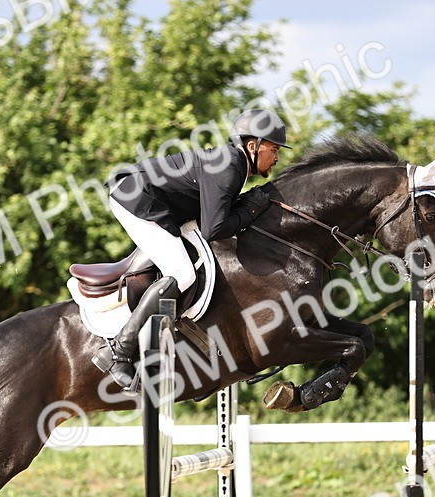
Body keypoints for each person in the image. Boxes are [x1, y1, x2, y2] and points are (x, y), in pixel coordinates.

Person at [91, 108, 292, 393]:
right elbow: (215, 229)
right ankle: (118, 351)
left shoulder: (232, 164)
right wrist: (249, 211)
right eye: (274, 149)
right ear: (253, 146)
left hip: (147, 198)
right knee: (182, 273)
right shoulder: (229, 167)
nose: (277, 158)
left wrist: (245, 209)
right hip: (135, 197)